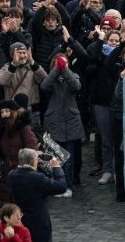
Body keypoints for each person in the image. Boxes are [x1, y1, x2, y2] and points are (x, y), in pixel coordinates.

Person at [39, 53, 81, 198]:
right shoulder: (51, 78)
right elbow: (44, 86)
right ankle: (55, 185)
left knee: (68, 159)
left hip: (70, 121)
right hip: (54, 121)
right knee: (55, 157)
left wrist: (65, 70)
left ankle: (68, 186)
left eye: (64, 64)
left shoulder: (73, 75)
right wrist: (57, 69)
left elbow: (76, 86)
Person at [8, 148, 66, 242]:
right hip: (38, 223)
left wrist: (35, 158)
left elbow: (30, 173)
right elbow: (61, 186)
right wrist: (57, 168)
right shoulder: (37, 178)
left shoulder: (12, 175)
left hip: (20, 220)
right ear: (32, 161)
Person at [0, 99, 38, 204]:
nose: (4, 114)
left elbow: (32, 149)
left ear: (14, 112)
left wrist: (26, 169)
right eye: (2, 112)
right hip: (7, 173)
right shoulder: (1, 130)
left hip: (23, 173)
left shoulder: (24, 128)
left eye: (7, 111)